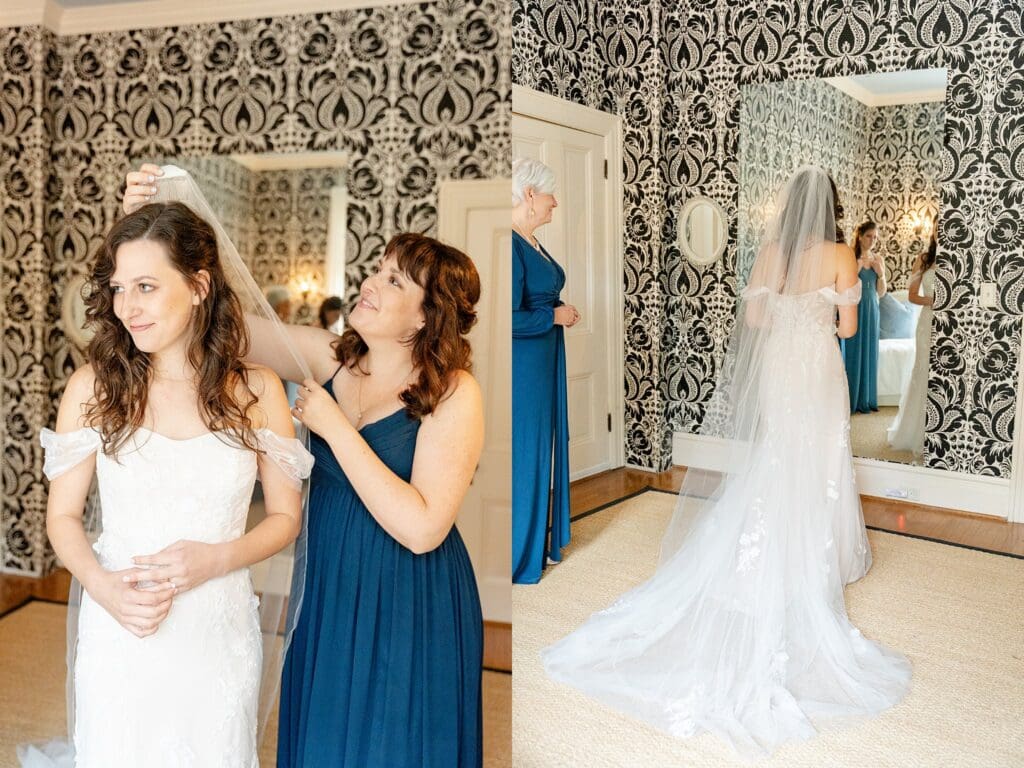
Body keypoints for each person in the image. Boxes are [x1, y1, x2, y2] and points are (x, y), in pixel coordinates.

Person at [124, 164, 488, 767]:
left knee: (393, 743)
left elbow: (424, 529)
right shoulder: (332, 360)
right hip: (330, 580)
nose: (369, 283)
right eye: (377, 268)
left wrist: (337, 430)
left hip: (410, 593)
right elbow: (226, 326)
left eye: (393, 281)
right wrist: (148, 225)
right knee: (326, 733)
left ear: (426, 316)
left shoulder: (454, 393)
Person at [541, 166, 911, 759]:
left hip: (779, 369)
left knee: (778, 456)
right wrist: (830, 305)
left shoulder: (769, 253)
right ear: (832, 208)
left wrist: (792, 311)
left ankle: (765, 544)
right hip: (816, 366)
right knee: (820, 459)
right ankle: (823, 554)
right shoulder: (844, 253)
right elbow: (847, 327)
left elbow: (759, 321)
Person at [37, 202, 313, 766]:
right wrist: (104, 588)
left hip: (217, 629)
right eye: (118, 288)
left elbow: (286, 518)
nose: (127, 308)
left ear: (198, 285)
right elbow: (62, 517)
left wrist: (218, 559)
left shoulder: (257, 393)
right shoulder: (92, 388)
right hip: (120, 624)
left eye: (145, 286)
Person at [511, 157, 579, 585]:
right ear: (530, 195)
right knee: (529, 452)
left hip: (546, 358)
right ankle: (522, 552)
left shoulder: (531, 241)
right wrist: (553, 318)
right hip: (525, 368)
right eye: (550, 194)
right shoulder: (511, 243)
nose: (555, 202)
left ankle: (539, 541)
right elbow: (508, 318)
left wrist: (557, 313)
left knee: (545, 446)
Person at [888, 229, 938, 455]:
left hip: (949, 324)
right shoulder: (924, 259)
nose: (941, 232)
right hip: (927, 321)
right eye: (937, 227)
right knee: (923, 371)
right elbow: (912, 296)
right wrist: (934, 301)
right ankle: (916, 431)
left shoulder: (957, 259)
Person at [843, 220, 886, 413]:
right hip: (854, 308)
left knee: (869, 350)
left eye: (875, 237)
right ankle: (852, 399)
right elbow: (844, 288)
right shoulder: (850, 257)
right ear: (860, 236)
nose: (872, 240)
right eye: (869, 236)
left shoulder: (878, 259)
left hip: (871, 308)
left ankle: (867, 399)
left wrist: (881, 274)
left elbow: (882, 292)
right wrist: (857, 269)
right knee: (854, 350)